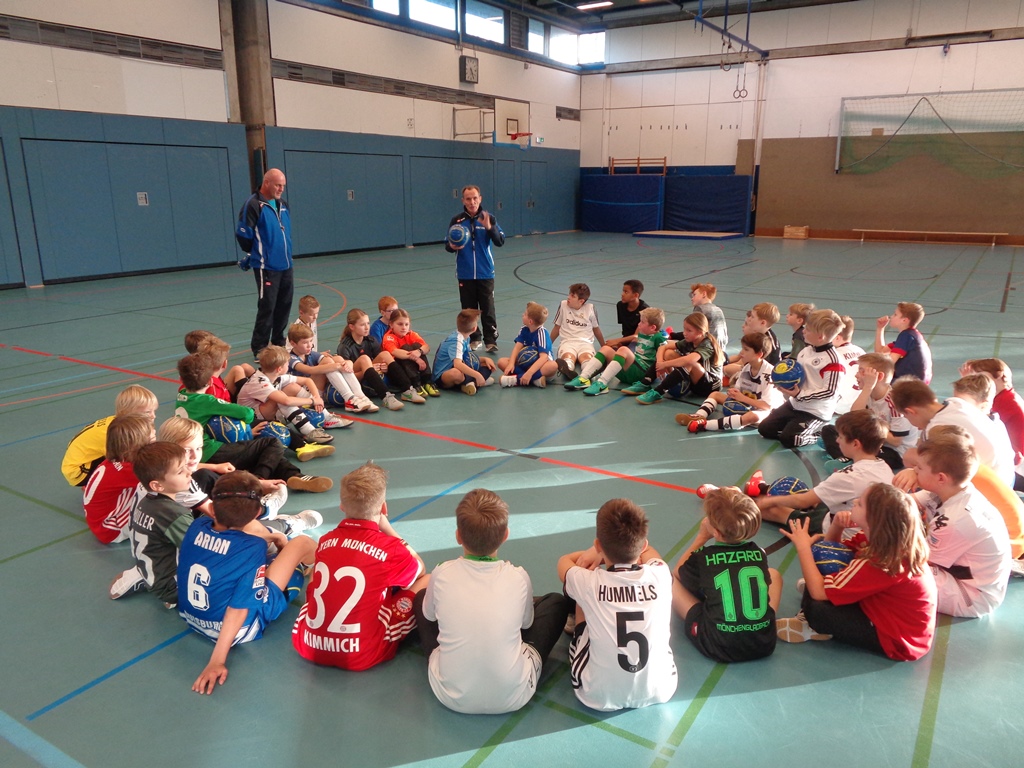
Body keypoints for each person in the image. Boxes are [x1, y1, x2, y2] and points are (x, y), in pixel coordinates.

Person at [413, 489, 569, 714]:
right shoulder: (518, 576)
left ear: (458, 536)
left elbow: (429, 616)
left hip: (449, 696)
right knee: (555, 602)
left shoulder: (442, 572)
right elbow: (526, 624)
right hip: (514, 696)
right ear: (506, 535)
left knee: (422, 598)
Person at [178, 471, 316, 694]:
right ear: (259, 512)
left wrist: (274, 538)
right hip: (240, 628)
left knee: (260, 542)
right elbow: (238, 609)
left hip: (191, 617)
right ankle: (317, 566)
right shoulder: (252, 548)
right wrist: (217, 661)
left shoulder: (197, 525)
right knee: (301, 543)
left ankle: (281, 534)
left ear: (212, 507)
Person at [292, 462, 430, 671]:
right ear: (383, 508)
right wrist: (388, 529)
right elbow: (420, 569)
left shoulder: (326, 540)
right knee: (426, 579)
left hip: (306, 644)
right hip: (362, 654)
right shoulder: (390, 548)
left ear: (342, 506)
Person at [775, 484, 936, 661]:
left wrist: (803, 547)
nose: (855, 501)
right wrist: (837, 527)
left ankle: (811, 626)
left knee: (816, 609)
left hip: (897, 642)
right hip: (895, 621)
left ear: (873, 519)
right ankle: (830, 590)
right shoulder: (884, 540)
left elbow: (818, 592)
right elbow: (832, 553)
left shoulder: (884, 562)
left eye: (860, 504)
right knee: (822, 569)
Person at [557, 498, 677, 711]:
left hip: (597, 695)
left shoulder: (591, 583)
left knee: (581, 585)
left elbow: (564, 562)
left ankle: (577, 627)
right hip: (660, 688)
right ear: (643, 545)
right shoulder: (660, 574)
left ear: (598, 545)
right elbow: (652, 555)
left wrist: (596, 554)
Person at [175, 351, 334, 492]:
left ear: (181, 379)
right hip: (211, 450)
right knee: (272, 443)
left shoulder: (181, 396)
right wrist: (245, 430)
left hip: (196, 452)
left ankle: (294, 476)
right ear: (210, 381)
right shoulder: (207, 401)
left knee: (261, 453)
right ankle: (259, 480)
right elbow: (247, 413)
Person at [672, 487, 781, 663]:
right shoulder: (758, 553)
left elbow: (678, 572)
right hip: (763, 643)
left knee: (669, 581)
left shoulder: (704, 558)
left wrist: (701, 537)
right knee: (773, 575)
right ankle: (763, 621)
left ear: (715, 531)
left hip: (718, 646)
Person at [912, 426, 1011, 617]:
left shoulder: (956, 520)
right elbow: (906, 502)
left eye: (919, 468)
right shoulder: (952, 489)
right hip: (958, 577)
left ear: (941, 478)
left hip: (970, 596)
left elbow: (918, 559)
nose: (914, 471)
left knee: (899, 568)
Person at [752, 409, 894, 530]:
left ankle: (749, 500)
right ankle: (762, 488)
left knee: (774, 510)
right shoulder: (884, 467)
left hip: (838, 528)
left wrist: (767, 502)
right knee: (817, 495)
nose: (837, 441)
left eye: (841, 437)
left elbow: (803, 501)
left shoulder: (848, 476)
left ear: (855, 444)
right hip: (860, 521)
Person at [889, 377, 1016, 490]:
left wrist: (914, 471)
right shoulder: (956, 403)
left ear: (911, 412)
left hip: (990, 487)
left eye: (906, 417)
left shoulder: (936, 427)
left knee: (910, 456)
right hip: (1008, 474)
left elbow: (934, 468)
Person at [109, 442, 195, 606]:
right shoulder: (174, 515)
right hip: (172, 587)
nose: (188, 472)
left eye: (185, 466)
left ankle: (141, 577)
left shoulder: (146, 502)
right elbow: (201, 551)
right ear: (157, 485)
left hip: (151, 572)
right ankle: (176, 596)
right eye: (180, 471)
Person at [757, 308, 846, 448]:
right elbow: (796, 374)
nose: (803, 331)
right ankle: (795, 426)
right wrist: (782, 381)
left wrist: (800, 394)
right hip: (795, 404)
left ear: (820, 337)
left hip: (815, 412)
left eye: (808, 330)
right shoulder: (805, 351)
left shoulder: (833, 361)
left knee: (789, 439)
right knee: (765, 429)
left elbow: (830, 392)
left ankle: (817, 434)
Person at [821, 353, 918, 472]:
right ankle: (846, 457)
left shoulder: (895, 402)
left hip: (893, 451)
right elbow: (853, 417)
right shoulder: (869, 394)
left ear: (879, 376)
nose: (856, 375)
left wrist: (873, 426)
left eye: (862, 371)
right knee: (829, 430)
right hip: (874, 442)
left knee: (857, 447)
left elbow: (896, 441)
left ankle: (845, 459)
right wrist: (867, 388)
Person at [235, 168, 293, 360]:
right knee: (267, 306)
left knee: (284, 305)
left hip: (286, 265)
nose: (281, 189)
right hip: (266, 267)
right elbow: (243, 234)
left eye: (283, 185)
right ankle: (259, 348)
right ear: (266, 183)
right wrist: (255, 253)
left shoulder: (283, 205)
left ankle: (278, 343)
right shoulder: (253, 205)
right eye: (278, 185)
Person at [237, 345, 348, 444]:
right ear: (279, 369)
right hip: (251, 420)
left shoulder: (275, 375)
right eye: (287, 364)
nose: (288, 366)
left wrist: (317, 398)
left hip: (266, 413)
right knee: (281, 397)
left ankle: (326, 417)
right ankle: (309, 431)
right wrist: (313, 401)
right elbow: (286, 401)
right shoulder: (260, 381)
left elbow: (307, 381)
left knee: (292, 387)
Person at [677, 332, 781, 432]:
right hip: (748, 404)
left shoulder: (769, 374)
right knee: (715, 394)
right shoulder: (746, 368)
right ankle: (699, 416)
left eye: (746, 349)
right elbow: (738, 391)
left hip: (768, 411)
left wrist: (742, 398)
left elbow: (767, 406)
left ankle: (705, 425)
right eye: (742, 348)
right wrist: (733, 393)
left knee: (752, 417)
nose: (741, 352)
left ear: (759, 354)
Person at [61, 384, 158, 487]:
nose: (153, 416)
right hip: (77, 471)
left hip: (80, 459)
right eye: (147, 412)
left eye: (154, 411)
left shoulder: (118, 422)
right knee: (124, 462)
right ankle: (93, 483)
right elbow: (127, 458)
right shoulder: (117, 432)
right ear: (129, 412)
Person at [446, 185, 504, 353]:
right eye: (468, 199)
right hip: (465, 273)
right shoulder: (456, 220)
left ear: (480, 198)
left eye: (475, 198)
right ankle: (474, 338)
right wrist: (451, 245)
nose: (472, 202)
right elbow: (447, 245)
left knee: (487, 307)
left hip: (485, 272)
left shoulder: (489, 218)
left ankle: (491, 340)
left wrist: (489, 227)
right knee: (468, 308)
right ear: (463, 200)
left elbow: (500, 241)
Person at [565, 307, 667, 396]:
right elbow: (634, 337)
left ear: (653, 327)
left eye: (642, 322)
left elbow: (666, 353)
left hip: (642, 373)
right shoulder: (642, 333)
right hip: (631, 371)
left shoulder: (658, 338)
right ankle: (583, 378)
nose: (639, 324)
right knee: (606, 349)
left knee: (623, 350)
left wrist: (663, 368)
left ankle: (602, 383)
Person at [82, 415, 153, 544]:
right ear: (138, 446)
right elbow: (165, 478)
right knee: (158, 491)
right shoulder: (128, 470)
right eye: (152, 440)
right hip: (111, 530)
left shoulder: (116, 461)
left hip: (99, 524)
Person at [629, 312, 724, 405]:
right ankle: (646, 381)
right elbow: (663, 346)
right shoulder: (690, 341)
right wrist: (660, 363)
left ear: (700, 332)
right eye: (684, 329)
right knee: (668, 353)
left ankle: (658, 392)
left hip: (710, 386)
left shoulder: (707, 345)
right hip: (695, 382)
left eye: (689, 330)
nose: (684, 333)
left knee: (689, 363)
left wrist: (665, 364)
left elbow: (689, 360)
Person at [959, 358, 1024, 489]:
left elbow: (974, 418)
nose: (978, 382)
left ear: (999, 376)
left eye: (980, 377)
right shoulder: (1005, 396)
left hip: (1017, 464)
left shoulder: (1006, 402)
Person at [287, 323, 375, 414]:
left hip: (314, 389)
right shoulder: (291, 358)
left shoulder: (310, 353)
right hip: (305, 394)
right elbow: (309, 370)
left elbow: (335, 360)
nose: (310, 345)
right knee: (328, 363)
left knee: (338, 359)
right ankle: (349, 398)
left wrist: (345, 363)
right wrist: (337, 366)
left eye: (311, 341)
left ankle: (360, 396)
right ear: (293, 343)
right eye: (305, 343)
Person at [338, 308, 415, 408]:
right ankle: (386, 397)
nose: (367, 327)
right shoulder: (345, 346)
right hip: (355, 379)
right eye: (362, 325)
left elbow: (380, 360)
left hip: (370, 374)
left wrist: (384, 367)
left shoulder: (370, 340)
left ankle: (408, 389)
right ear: (352, 326)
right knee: (364, 358)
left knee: (385, 354)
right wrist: (368, 369)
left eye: (368, 323)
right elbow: (345, 378)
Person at [432, 309, 496, 395]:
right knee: (455, 373)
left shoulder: (466, 337)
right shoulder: (456, 341)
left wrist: (485, 359)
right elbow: (457, 364)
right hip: (442, 376)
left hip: (457, 367)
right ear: (474, 328)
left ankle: (470, 383)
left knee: (488, 366)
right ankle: (474, 382)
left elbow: (468, 358)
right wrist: (477, 375)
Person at [550, 283, 605, 380]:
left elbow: (596, 329)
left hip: (585, 343)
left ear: (581, 301)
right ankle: (568, 370)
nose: (568, 297)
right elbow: (557, 327)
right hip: (567, 342)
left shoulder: (590, 309)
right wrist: (547, 346)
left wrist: (604, 346)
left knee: (586, 357)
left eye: (572, 296)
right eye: (569, 294)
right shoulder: (563, 305)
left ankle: (588, 371)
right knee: (568, 356)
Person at [496, 302, 556, 388]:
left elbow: (543, 358)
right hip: (525, 363)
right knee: (501, 362)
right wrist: (511, 363)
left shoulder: (542, 333)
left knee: (553, 366)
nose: (522, 315)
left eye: (525, 314)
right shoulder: (524, 329)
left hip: (541, 365)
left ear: (530, 321)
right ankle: (535, 380)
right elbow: (517, 348)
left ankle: (515, 380)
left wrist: (529, 373)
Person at [381, 308, 437, 398]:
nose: (404, 327)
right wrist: (416, 358)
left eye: (406, 324)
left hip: (411, 369)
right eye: (400, 324)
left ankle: (427, 381)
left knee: (417, 346)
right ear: (391, 324)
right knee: (405, 348)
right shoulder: (389, 337)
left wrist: (419, 351)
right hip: (396, 372)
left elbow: (426, 347)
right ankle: (415, 383)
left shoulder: (411, 334)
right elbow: (395, 352)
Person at [874, 302, 932, 384]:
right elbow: (880, 351)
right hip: (917, 382)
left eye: (895, 314)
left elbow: (889, 362)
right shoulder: (912, 335)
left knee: (874, 380)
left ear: (904, 320)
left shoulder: (906, 336)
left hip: (909, 383)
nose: (891, 316)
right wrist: (880, 328)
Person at [722, 302, 781, 382]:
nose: (749, 319)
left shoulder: (766, 342)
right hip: (753, 367)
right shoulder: (758, 335)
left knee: (726, 369)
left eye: (752, 317)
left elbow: (762, 368)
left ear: (763, 323)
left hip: (766, 376)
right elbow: (741, 358)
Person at [833, 315, 867, 415]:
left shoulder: (834, 355)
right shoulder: (860, 350)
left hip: (841, 405)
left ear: (837, 338)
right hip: (861, 402)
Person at [604, 279, 648, 350]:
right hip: (626, 339)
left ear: (635, 295)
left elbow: (637, 336)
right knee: (607, 348)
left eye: (626, 292)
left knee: (625, 351)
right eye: (623, 291)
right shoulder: (620, 305)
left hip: (639, 341)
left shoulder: (645, 310)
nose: (622, 294)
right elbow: (626, 330)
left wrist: (617, 341)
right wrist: (620, 343)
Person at [689, 282, 728, 351]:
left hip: (708, 349)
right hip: (721, 349)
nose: (692, 298)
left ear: (704, 294)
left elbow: (693, 332)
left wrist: (674, 335)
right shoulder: (718, 310)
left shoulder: (700, 309)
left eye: (694, 295)